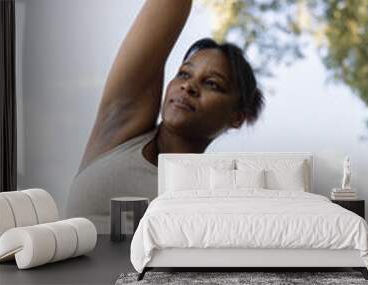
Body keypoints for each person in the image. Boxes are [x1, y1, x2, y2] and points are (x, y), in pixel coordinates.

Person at [66, 0, 265, 233]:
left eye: (212, 83)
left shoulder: (213, 204)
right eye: (184, 73)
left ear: (237, 117)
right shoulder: (121, 128)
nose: (188, 86)